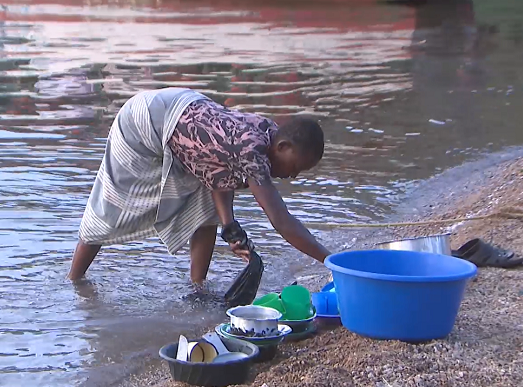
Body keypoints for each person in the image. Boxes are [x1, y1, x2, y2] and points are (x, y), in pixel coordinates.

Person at [67, 87, 331, 284]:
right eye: (295, 167)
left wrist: (230, 226)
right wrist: (331, 261)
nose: (292, 175)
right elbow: (281, 220)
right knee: (110, 211)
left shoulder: (268, 131)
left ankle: (198, 288)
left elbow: (218, 171)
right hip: (141, 122)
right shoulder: (253, 152)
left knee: (206, 208)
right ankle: (74, 281)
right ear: (283, 147)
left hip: (181, 108)